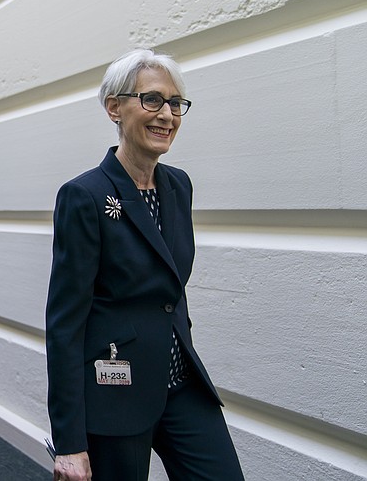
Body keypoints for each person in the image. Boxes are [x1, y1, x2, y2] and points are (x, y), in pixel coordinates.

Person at [45, 49, 244, 481]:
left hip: (180, 383)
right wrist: (70, 443)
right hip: (115, 392)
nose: (167, 115)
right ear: (114, 108)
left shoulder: (178, 185)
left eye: (175, 104)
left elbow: (171, 292)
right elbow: (65, 322)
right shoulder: (85, 196)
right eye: (152, 100)